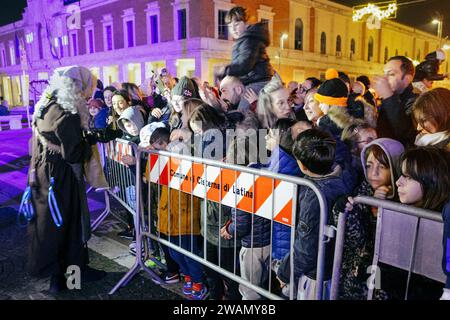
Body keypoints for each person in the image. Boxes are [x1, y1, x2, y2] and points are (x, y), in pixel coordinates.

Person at [27, 66, 106, 294]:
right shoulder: (67, 113)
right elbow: (73, 153)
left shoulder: (46, 105)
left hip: (43, 171)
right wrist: (88, 140)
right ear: (78, 86)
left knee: (52, 224)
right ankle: (73, 278)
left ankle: (58, 279)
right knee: (70, 224)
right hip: (62, 175)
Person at [276, 128, 349, 300]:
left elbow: (307, 248)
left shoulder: (313, 195)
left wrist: (286, 272)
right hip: (333, 266)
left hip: (316, 273)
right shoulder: (344, 175)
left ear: (302, 165)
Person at [332, 138, 404, 300]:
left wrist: (381, 212)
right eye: (370, 165)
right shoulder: (361, 191)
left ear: (396, 168)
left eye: (383, 166)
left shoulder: (405, 200)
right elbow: (355, 239)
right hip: (352, 279)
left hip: (381, 281)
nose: (374, 173)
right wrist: (343, 210)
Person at [396, 147, 450, 300]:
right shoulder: (392, 206)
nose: (398, 182)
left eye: (408, 176)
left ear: (430, 179)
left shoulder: (447, 213)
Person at [216, 6, 274, 112]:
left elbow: (245, 65)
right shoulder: (245, 40)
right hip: (253, 82)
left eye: (237, 24)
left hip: (257, 83)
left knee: (242, 115)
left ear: (246, 23)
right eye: (230, 26)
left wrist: (225, 70)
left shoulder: (249, 40)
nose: (233, 29)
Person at [372, 56, 418, 146]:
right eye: (384, 73)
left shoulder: (417, 101)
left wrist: (388, 96)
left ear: (407, 79)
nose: (385, 78)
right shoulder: (390, 98)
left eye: (391, 74)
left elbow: (406, 132)